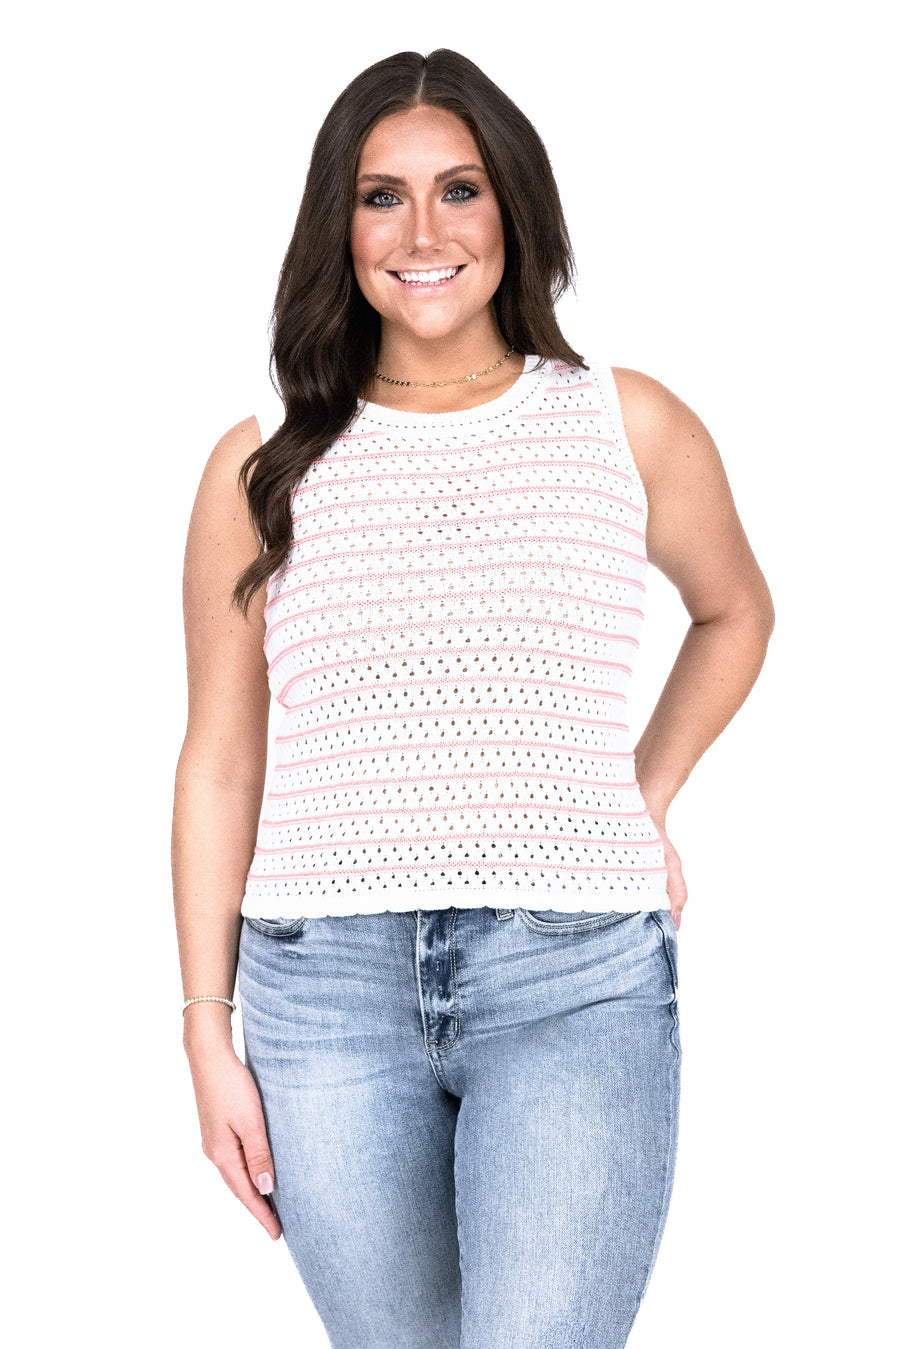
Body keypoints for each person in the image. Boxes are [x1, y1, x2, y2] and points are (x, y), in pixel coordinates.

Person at [172, 48, 775, 1349]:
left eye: (460, 190)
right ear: (339, 224)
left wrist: (643, 792)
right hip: (322, 995)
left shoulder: (624, 423)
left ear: (514, 207)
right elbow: (221, 756)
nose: (424, 234)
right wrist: (204, 1027)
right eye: (381, 197)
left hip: (574, 977)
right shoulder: (262, 461)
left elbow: (737, 613)